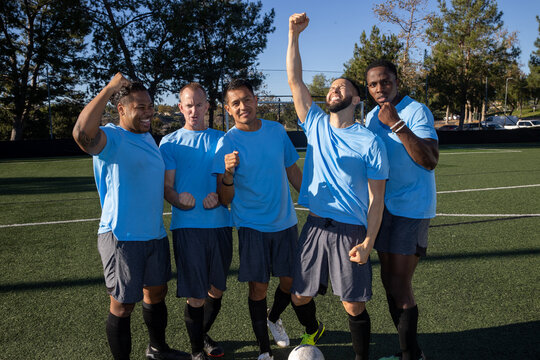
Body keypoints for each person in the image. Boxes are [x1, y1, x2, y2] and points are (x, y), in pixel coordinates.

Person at [287, 13, 389, 360]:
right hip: (315, 225)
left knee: (353, 305)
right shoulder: (314, 122)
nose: (334, 88)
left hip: (350, 231)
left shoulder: (369, 142)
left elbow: (377, 200)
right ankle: (313, 329)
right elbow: (295, 80)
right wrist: (293, 36)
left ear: (357, 99)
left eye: (343, 86)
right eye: (332, 85)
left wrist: (369, 241)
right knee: (298, 296)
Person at [72, 73, 189, 360]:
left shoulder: (149, 138)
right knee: (123, 305)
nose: (149, 112)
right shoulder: (113, 137)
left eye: (150, 106)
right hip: (122, 236)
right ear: (122, 109)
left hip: (154, 234)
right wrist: (110, 87)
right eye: (141, 107)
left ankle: (157, 349)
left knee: (156, 294)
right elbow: (81, 134)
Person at [212, 79, 303, 360]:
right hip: (252, 226)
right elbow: (224, 197)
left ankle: (273, 318)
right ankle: (264, 350)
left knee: (289, 282)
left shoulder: (276, 131)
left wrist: (317, 201)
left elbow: (293, 172)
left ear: (255, 100)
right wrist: (228, 174)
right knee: (259, 287)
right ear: (228, 108)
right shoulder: (226, 142)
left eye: (246, 99)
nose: (243, 106)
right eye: (235, 103)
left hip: (285, 221)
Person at [364, 59, 438, 360]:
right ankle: (411, 351)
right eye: (373, 84)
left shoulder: (416, 110)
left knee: (399, 284)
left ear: (396, 81)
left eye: (385, 81)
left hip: (412, 207)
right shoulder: (370, 117)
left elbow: (430, 159)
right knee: (388, 283)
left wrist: (396, 123)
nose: (380, 88)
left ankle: (410, 356)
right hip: (383, 209)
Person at [159, 83, 233, 360]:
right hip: (188, 228)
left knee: (216, 290)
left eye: (198, 104)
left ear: (207, 106)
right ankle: (195, 352)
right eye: (188, 105)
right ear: (180, 108)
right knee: (196, 296)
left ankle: (201, 336)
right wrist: (178, 200)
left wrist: (219, 196)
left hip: (220, 225)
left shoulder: (222, 139)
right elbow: (167, 187)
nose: (193, 110)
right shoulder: (169, 142)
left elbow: (225, 183)